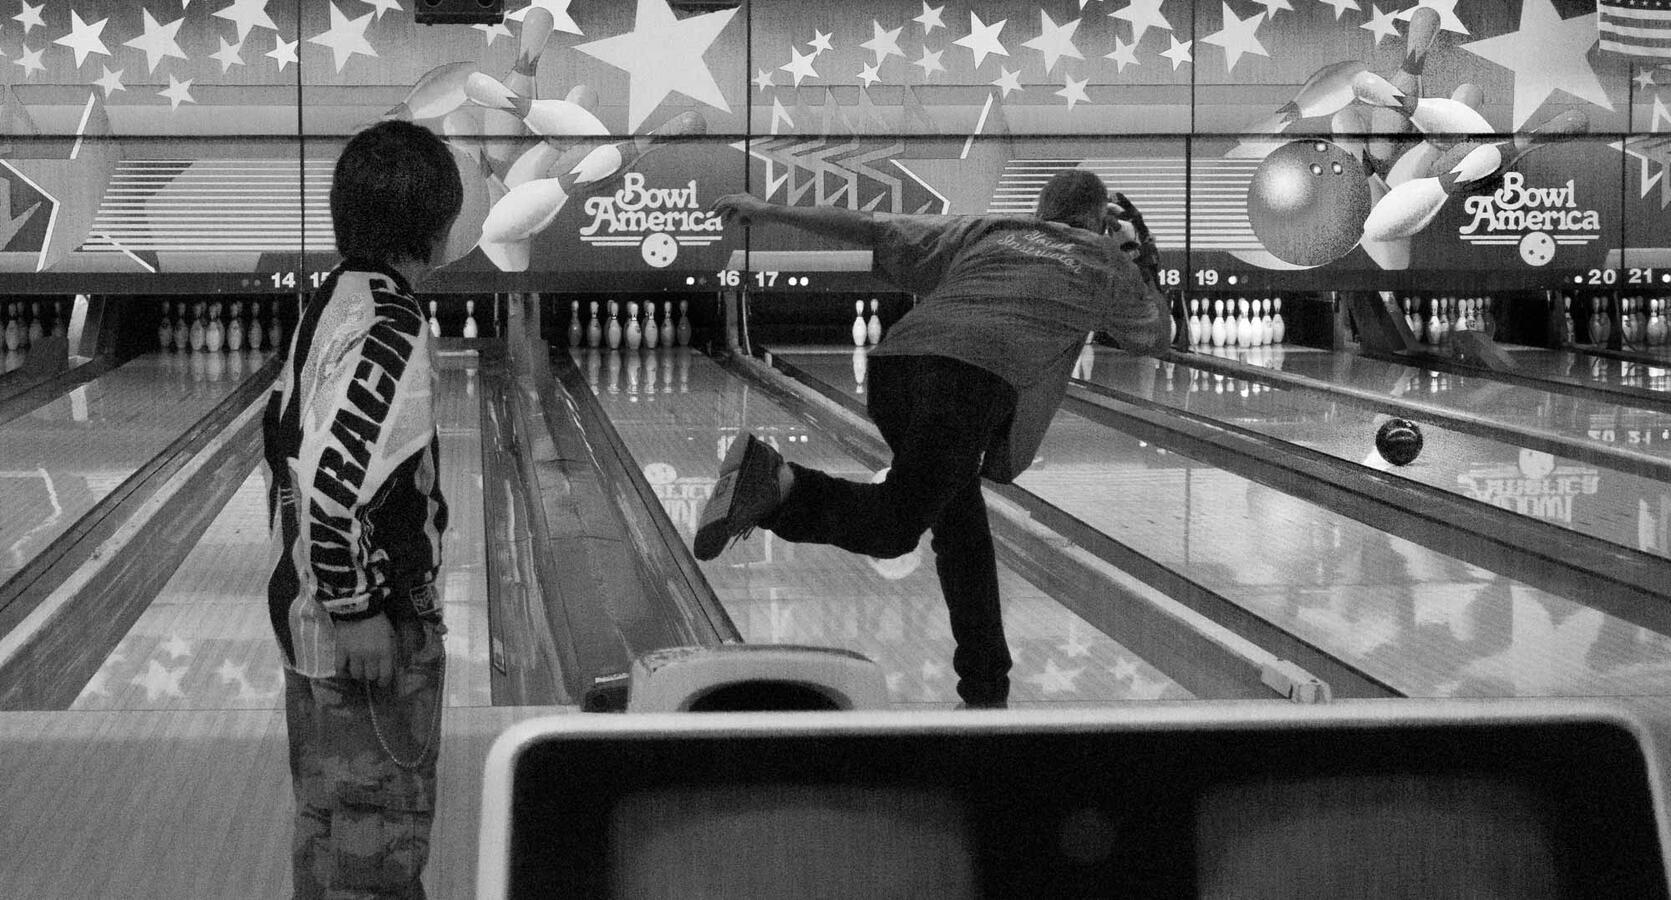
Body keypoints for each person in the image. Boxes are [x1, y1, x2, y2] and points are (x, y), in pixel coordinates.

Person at [693, 168, 1170, 708]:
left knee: (962, 532)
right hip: (969, 381)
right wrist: (1140, 254)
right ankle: (779, 482)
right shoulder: (1105, 261)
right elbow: (1155, 337)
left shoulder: (987, 230)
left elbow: (871, 226)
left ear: (1039, 208)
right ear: (1098, 220)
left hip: (896, 367)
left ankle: (987, 685)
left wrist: (766, 208)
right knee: (894, 528)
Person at [263, 119, 461, 898]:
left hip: (307, 618)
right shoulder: (390, 322)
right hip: (362, 632)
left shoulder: (336, 298)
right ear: (440, 229)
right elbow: (332, 477)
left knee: (328, 832)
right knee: (375, 853)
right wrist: (356, 607)